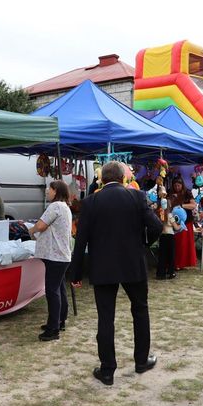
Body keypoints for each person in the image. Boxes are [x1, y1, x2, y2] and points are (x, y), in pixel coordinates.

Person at [69, 161, 163, 386]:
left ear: (101, 179)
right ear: (123, 178)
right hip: (133, 264)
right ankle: (141, 361)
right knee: (140, 311)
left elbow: (80, 240)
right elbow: (157, 226)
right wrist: (144, 244)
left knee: (106, 318)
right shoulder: (137, 197)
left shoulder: (91, 202)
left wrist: (75, 274)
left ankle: (107, 370)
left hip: (103, 266)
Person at [28, 180, 72, 342]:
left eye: (50, 188)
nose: (47, 191)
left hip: (55, 256)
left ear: (56, 191)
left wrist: (31, 230)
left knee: (52, 291)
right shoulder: (65, 207)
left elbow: (41, 225)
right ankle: (59, 321)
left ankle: (53, 329)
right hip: (61, 255)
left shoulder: (55, 206)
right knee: (59, 289)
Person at [168, 178, 197, 270]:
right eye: (175, 186)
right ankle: (176, 263)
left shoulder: (187, 192)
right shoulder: (170, 193)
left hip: (186, 222)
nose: (177, 187)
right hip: (174, 222)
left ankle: (183, 263)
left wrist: (181, 205)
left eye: (179, 185)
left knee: (184, 244)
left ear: (182, 185)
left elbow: (193, 205)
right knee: (176, 244)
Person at [156, 202, 181, 280]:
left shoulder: (159, 214)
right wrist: (181, 224)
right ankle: (171, 272)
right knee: (171, 256)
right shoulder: (170, 215)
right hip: (170, 236)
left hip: (162, 236)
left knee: (162, 256)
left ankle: (161, 274)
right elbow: (176, 228)